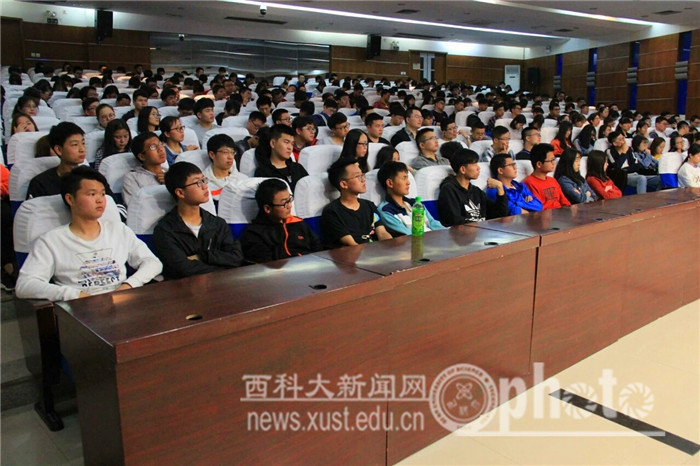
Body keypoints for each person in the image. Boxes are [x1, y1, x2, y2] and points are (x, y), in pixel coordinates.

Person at [16, 166, 162, 301]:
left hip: (121, 302)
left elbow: (153, 262)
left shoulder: (119, 230)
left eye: (102, 194)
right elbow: (25, 285)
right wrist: (75, 295)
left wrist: (129, 285)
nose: (100, 200)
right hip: (80, 308)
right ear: (70, 199)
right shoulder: (51, 241)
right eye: (92, 194)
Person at [152, 162, 243, 279]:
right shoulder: (165, 230)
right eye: (198, 183)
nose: (205, 186)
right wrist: (222, 267)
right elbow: (183, 269)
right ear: (180, 192)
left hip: (222, 284)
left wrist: (201, 256)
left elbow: (235, 257)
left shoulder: (217, 224)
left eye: (204, 180)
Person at [241, 178, 322, 263]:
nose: (290, 206)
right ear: (267, 208)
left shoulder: (299, 224)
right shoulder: (253, 234)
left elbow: (318, 250)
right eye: (284, 203)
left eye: (289, 200)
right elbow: (267, 263)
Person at [321, 158, 392, 247]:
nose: (363, 180)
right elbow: (352, 244)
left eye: (362, 175)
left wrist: (392, 248)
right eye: (357, 176)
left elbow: (382, 232)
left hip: (376, 251)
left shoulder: (369, 205)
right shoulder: (332, 212)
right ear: (344, 184)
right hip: (353, 254)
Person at [437, 148, 508, 225]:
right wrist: (481, 225)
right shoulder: (448, 190)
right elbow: (455, 221)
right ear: (463, 169)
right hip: (463, 232)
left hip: (481, 229)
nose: (478, 168)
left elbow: (499, 215)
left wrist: (500, 188)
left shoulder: (476, 191)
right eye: (474, 164)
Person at [375, 161, 444, 236]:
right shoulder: (386, 210)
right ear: (390, 183)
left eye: (407, 178)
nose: (408, 183)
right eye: (404, 178)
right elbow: (408, 236)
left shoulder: (415, 203)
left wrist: (448, 232)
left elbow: (432, 223)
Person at [27, 122, 87, 199]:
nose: (82, 149)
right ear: (58, 150)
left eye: (83, 143)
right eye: (75, 144)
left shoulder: (92, 176)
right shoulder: (40, 183)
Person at [254, 124, 308, 191]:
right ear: (273, 143)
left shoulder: (297, 168)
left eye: (292, 143)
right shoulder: (263, 172)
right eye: (286, 142)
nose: (290, 147)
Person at [121, 132, 167, 207]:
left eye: (160, 144)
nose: (160, 149)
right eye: (153, 147)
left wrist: (170, 182)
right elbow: (134, 206)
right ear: (142, 156)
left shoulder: (170, 172)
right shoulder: (132, 178)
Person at [522, 143, 571, 210]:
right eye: (551, 160)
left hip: (561, 213)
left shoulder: (552, 180)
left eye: (553, 160)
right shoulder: (529, 183)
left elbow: (564, 202)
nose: (553, 163)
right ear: (539, 164)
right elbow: (538, 207)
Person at [203, 134, 239, 201]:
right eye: (225, 152)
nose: (230, 157)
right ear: (212, 155)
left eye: (232, 152)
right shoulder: (205, 185)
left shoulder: (241, 179)